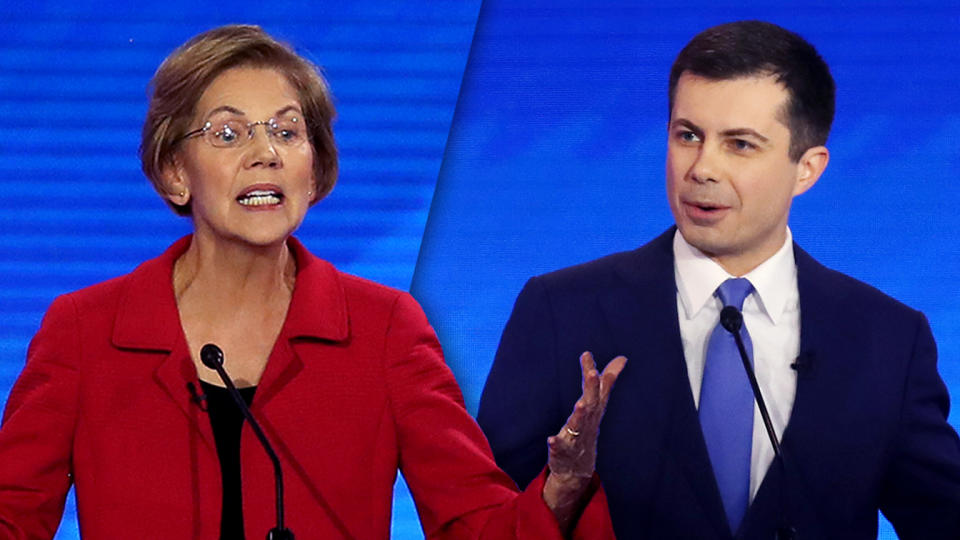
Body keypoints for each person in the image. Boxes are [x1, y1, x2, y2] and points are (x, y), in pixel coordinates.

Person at [0, 24, 627, 539]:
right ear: (174, 173)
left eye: (287, 130)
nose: (265, 151)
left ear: (315, 171)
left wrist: (563, 485)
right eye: (228, 133)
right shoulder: (86, 331)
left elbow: (476, 525)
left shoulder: (385, 329)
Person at [478, 20, 960, 539]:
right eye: (688, 135)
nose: (702, 168)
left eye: (740, 145)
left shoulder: (886, 339)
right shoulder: (560, 311)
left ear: (807, 168)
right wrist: (564, 486)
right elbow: (486, 522)